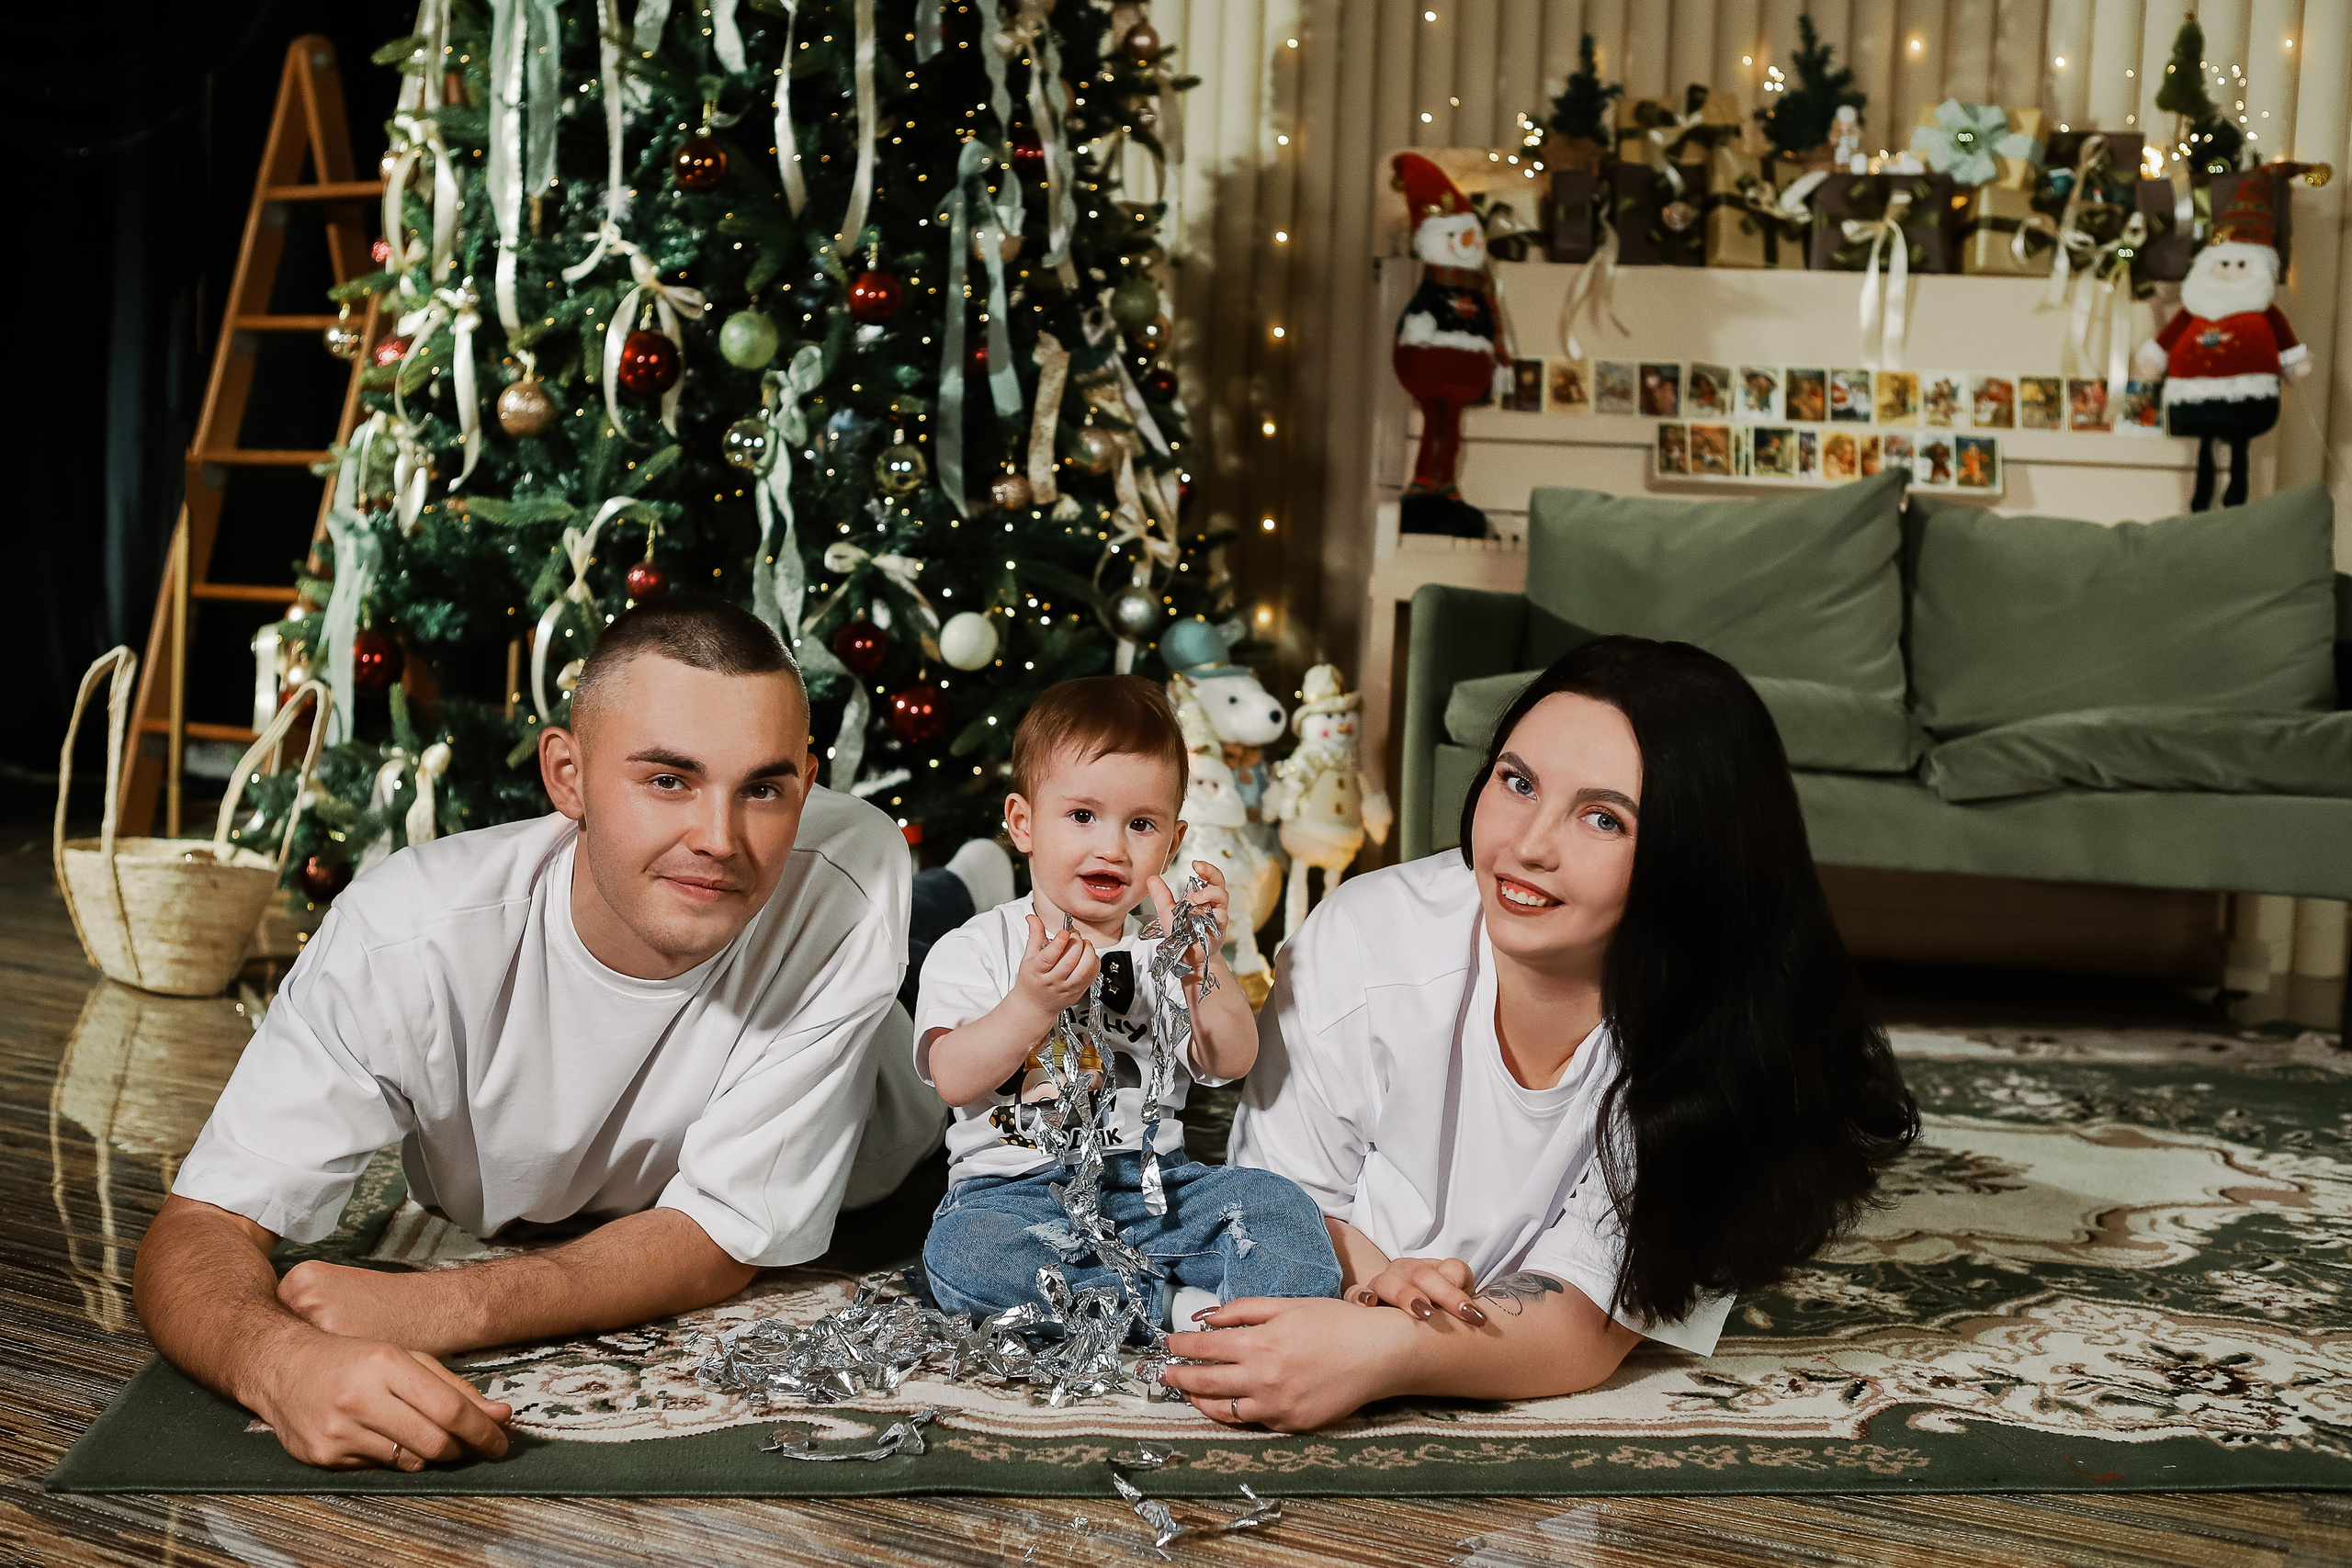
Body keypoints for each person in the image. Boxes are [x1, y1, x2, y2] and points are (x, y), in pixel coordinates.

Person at [132, 597, 944, 1472]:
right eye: (668, 779)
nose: (719, 838)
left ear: (807, 782)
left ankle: (961, 888)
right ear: (567, 774)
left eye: (764, 788)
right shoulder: (405, 936)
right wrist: (279, 1363)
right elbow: (201, 1223)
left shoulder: (848, 871)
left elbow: (719, 1237)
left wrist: (441, 1307)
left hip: (893, 1132)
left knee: (954, 954)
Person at [1160, 637, 1917, 1431]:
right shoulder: (1359, 945)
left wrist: (1386, 1347)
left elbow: (1583, 1323)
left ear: (1693, 855)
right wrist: (1378, 1287)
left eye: (1602, 817)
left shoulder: (1720, 1032)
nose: (1528, 846)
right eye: (1517, 782)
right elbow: (1280, 1210)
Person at [914, 676, 1342, 1326]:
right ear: (1023, 823)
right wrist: (1029, 1003)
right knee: (962, 1256)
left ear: (1171, 844)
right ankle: (1170, 1308)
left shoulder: (1161, 950)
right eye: (1082, 815)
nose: (1112, 846)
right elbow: (952, 1076)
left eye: (1141, 824)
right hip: (1017, 1199)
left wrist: (1205, 966)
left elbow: (1233, 1059)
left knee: (1280, 1207)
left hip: (1153, 1191)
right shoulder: (976, 947)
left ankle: (1269, 1318)